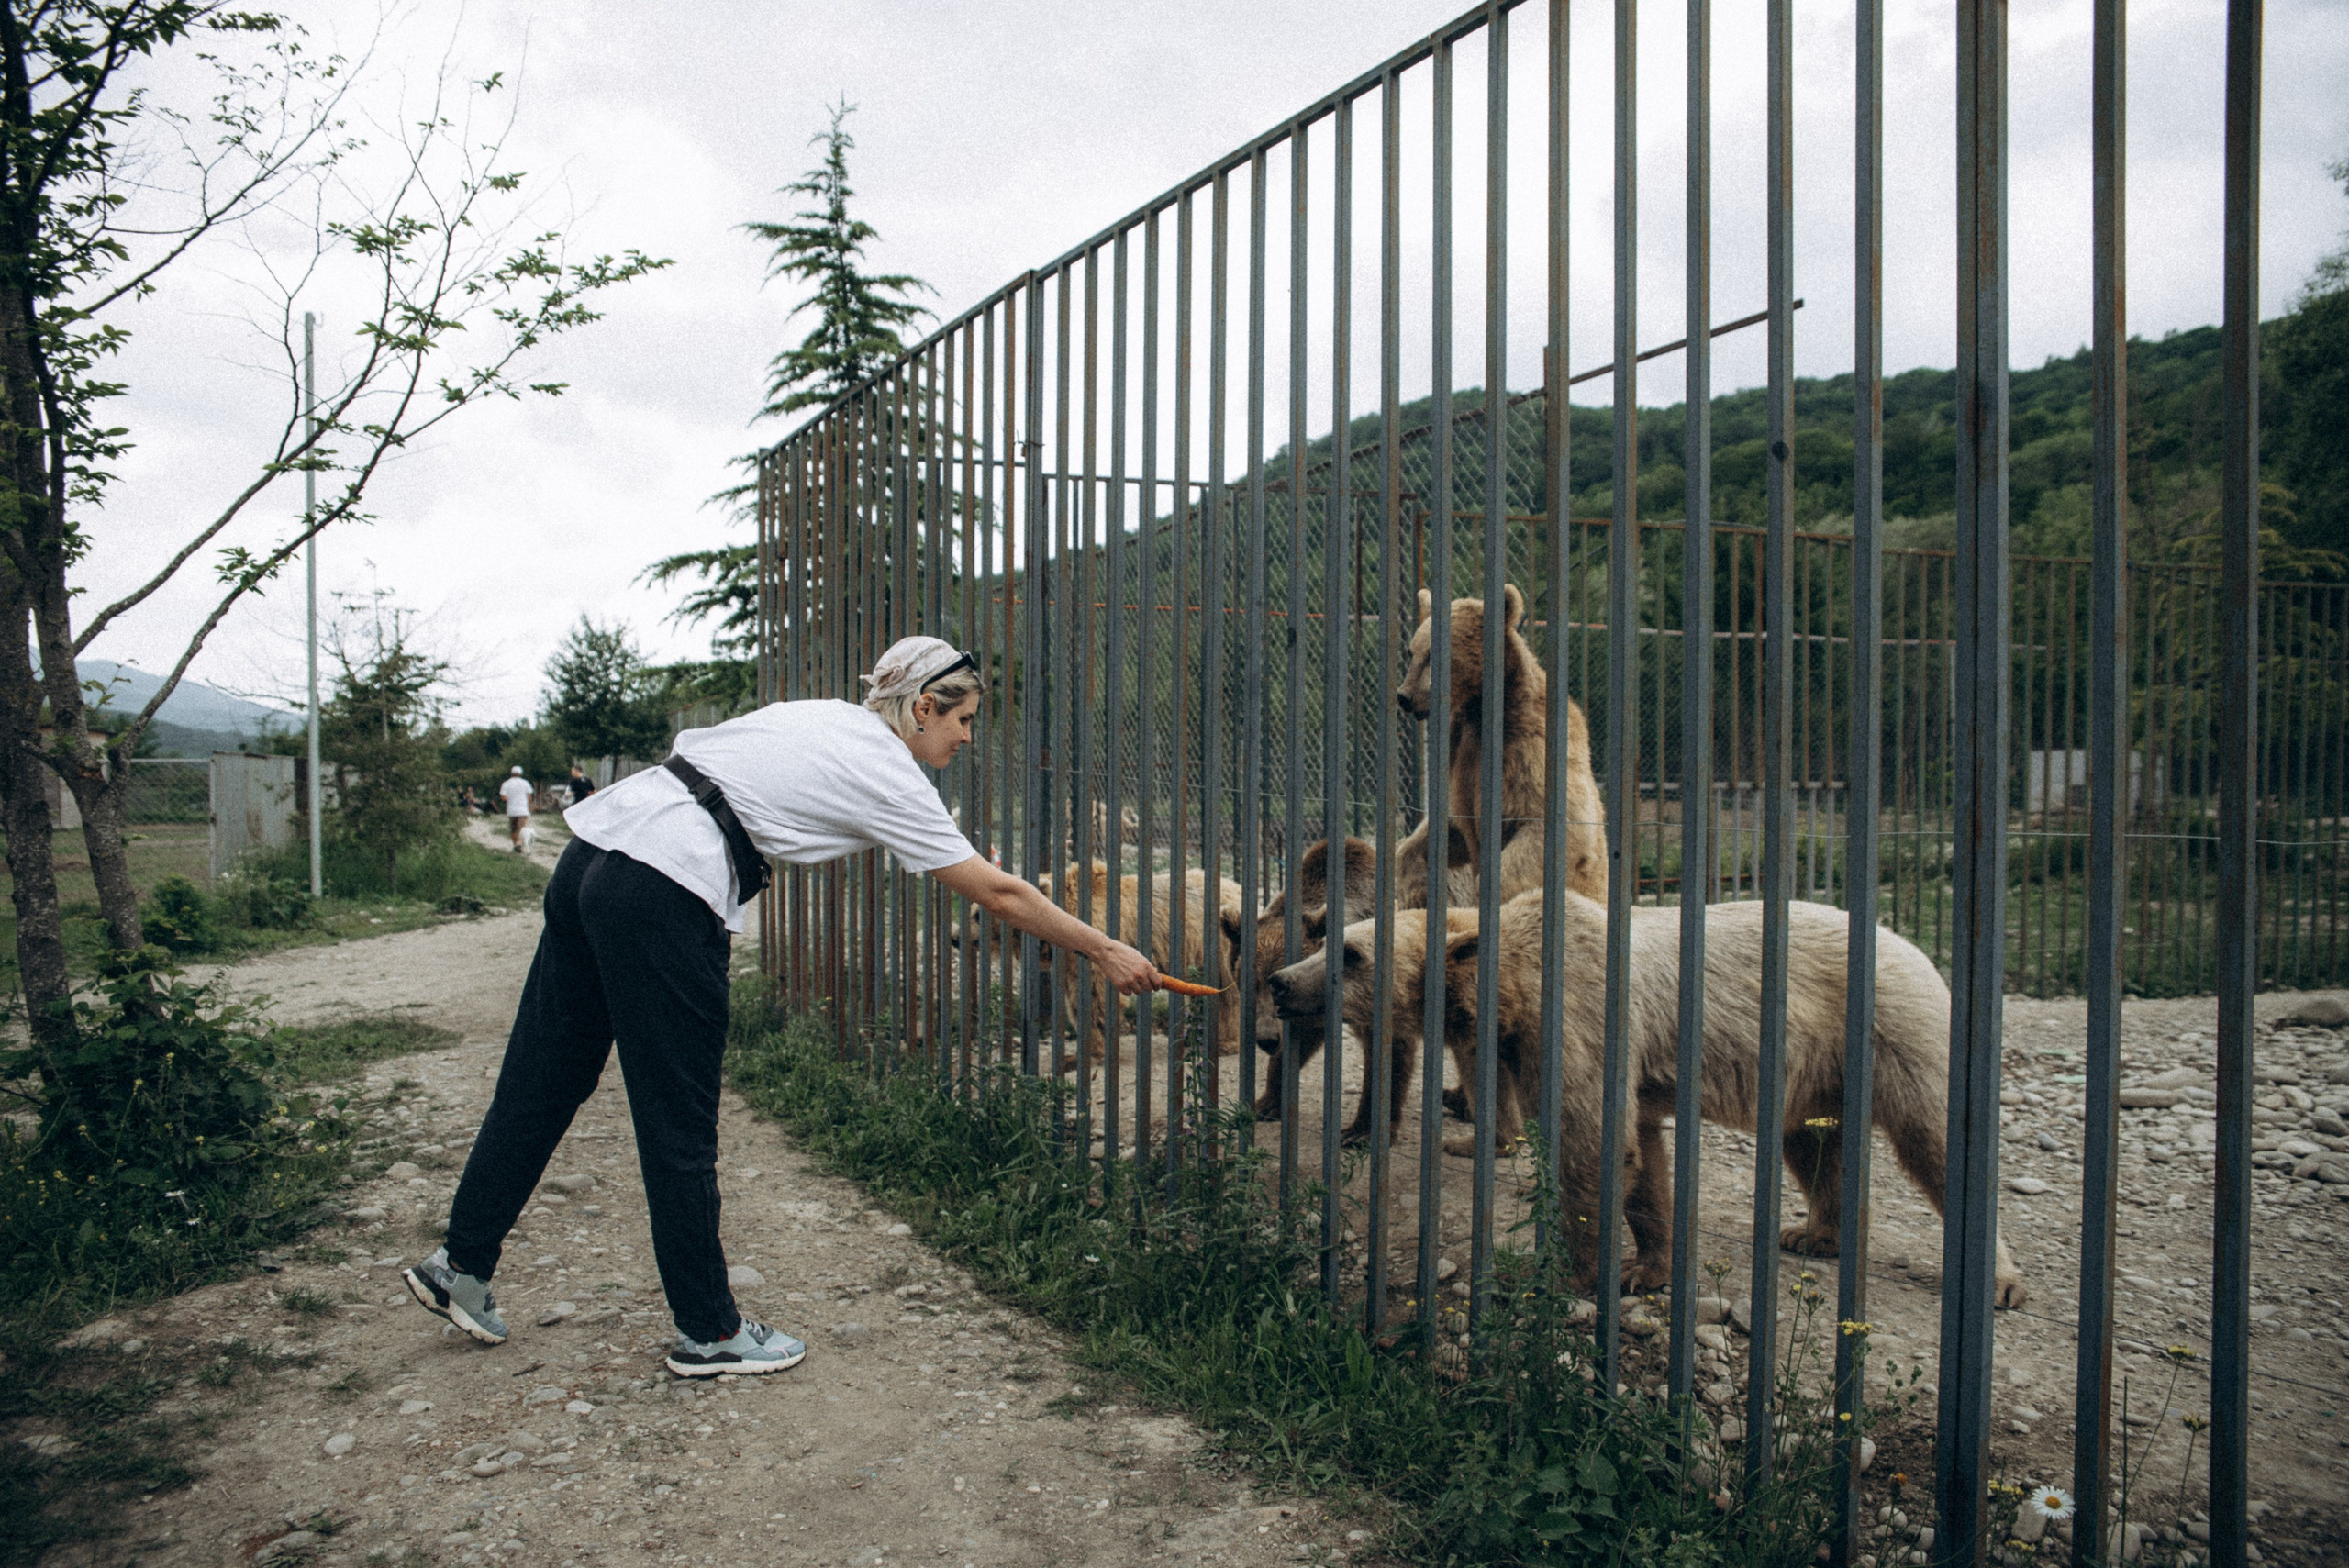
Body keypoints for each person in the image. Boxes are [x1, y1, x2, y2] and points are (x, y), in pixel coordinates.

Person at [404, 636, 1160, 1379]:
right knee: (680, 1118)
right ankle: (711, 1329)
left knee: (546, 1073)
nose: (967, 736)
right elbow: (998, 891)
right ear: (923, 707)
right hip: (664, 883)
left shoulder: (826, 718)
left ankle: (460, 1263)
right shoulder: (891, 772)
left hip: (594, 851)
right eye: (962, 720)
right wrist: (1102, 947)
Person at [498, 765, 533, 852]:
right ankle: (518, 843)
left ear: (511, 773)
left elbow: (503, 797)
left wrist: (510, 799)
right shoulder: (525, 783)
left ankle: (515, 844)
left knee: (513, 828)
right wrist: (529, 806)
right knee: (521, 828)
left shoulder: (506, 783)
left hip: (511, 810)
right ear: (520, 773)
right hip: (523, 810)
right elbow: (529, 797)